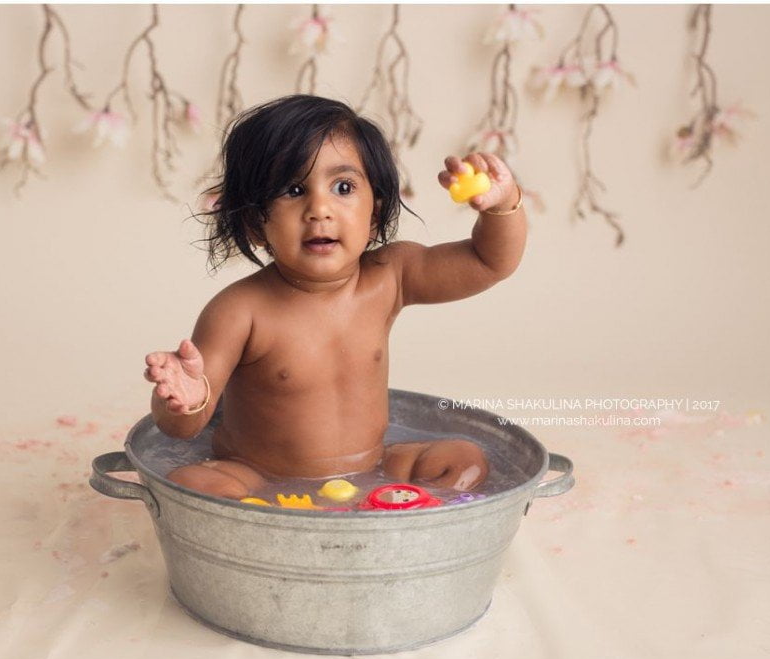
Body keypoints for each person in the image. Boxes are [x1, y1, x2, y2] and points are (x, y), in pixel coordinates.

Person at [143, 94, 527, 499]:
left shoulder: (390, 277)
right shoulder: (240, 311)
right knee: (196, 485)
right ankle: (272, 520)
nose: (319, 209)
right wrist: (183, 399)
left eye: (343, 187)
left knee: (463, 458)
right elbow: (182, 429)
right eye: (293, 190)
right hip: (258, 475)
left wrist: (502, 206)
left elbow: (488, 262)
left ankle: (401, 514)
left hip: (373, 467)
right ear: (256, 222)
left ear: (374, 212)